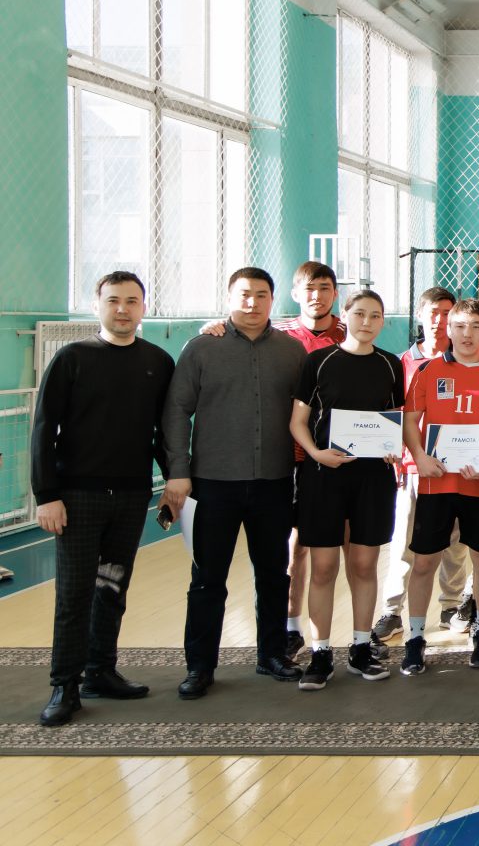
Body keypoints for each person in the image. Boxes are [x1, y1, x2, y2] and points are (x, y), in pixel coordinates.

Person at [32, 271, 174, 726]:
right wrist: (47, 495)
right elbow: (43, 429)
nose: (123, 309)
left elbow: (164, 432)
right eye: (113, 300)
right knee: (75, 594)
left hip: (131, 497)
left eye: (132, 301)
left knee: (112, 587)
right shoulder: (72, 358)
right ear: (98, 306)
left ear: (144, 308)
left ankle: (100, 671)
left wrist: (175, 481)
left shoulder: (158, 361)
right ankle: (64, 685)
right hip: (78, 497)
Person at [162, 268, 309, 699]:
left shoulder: (291, 351)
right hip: (213, 484)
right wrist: (177, 470)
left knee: (273, 575)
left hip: (274, 481)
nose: (252, 303)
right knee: (207, 579)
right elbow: (176, 410)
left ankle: (272, 655)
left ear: (272, 300)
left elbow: (310, 409)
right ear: (229, 298)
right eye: (244, 294)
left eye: (261, 295)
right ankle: (200, 667)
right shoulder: (202, 348)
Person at [197, 261, 347, 659]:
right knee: (291, 548)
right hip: (286, 459)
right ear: (295, 294)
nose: (317, 295)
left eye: (325, 288)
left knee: (331, 546)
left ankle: (341, 637)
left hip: (336, 458)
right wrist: (217, 327)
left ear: (336, 294)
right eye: (309, 288)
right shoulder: (280, 335)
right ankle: (289, 629)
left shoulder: (351, 334)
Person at [288, 290, 405, 689]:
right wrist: (316, 454)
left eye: (375, 315)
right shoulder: (318, 361)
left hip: (373, 480)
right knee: (323, 567)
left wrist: (392, 448)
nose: (367, 322)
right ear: (345, 315)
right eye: (359, 314)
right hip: (324, 477)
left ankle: (360, 647)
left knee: (364, 565)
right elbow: (297, 422)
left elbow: (394, 419)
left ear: (383, 321)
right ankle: (320, 653)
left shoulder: (390, 364)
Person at [398, 299, 479, 677]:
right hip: (437, 483)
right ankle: (415, 638)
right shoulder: (428, 371)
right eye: (459, 326)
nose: (467, 334)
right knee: (424, 561)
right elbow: (410, 420)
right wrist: (419, 456)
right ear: (449, 329)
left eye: (475, 326)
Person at [372, 288, 472, 643]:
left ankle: (451, 605)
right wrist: (396, 452)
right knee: (404, 541)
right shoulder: (402, 363)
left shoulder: (467, 360)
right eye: (433, 312)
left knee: (455, 542)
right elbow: (392, 413)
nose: (439, 320)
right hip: (413, 468)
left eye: (447, 313)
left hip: (456, 468)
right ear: (419, 315)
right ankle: (391, 611)